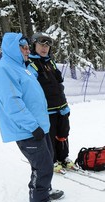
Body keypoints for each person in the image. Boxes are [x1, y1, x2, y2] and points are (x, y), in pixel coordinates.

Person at [0, 32, 63, 202]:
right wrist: (32, 126)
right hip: (27, 130)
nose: (26, 49)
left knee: (47, 159)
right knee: (43, 165)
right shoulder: (4, 70)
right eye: (22, 46)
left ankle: (44, 189)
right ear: (11, 48)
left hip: (39, 126)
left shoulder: (23, 68)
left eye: (27, 46)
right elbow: (13, 104)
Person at [27, 32, 75, 173]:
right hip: (47, 110)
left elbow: (58, 85)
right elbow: (32, 91)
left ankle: (63, 157)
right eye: (41, 45)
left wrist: (64, 105)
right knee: (50, 137)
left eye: (47, 46)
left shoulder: (50, 62)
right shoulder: (31, 65)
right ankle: (52, 160)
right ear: (34, 45)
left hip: (61, 107)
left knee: (63, 134)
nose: (44, 48)